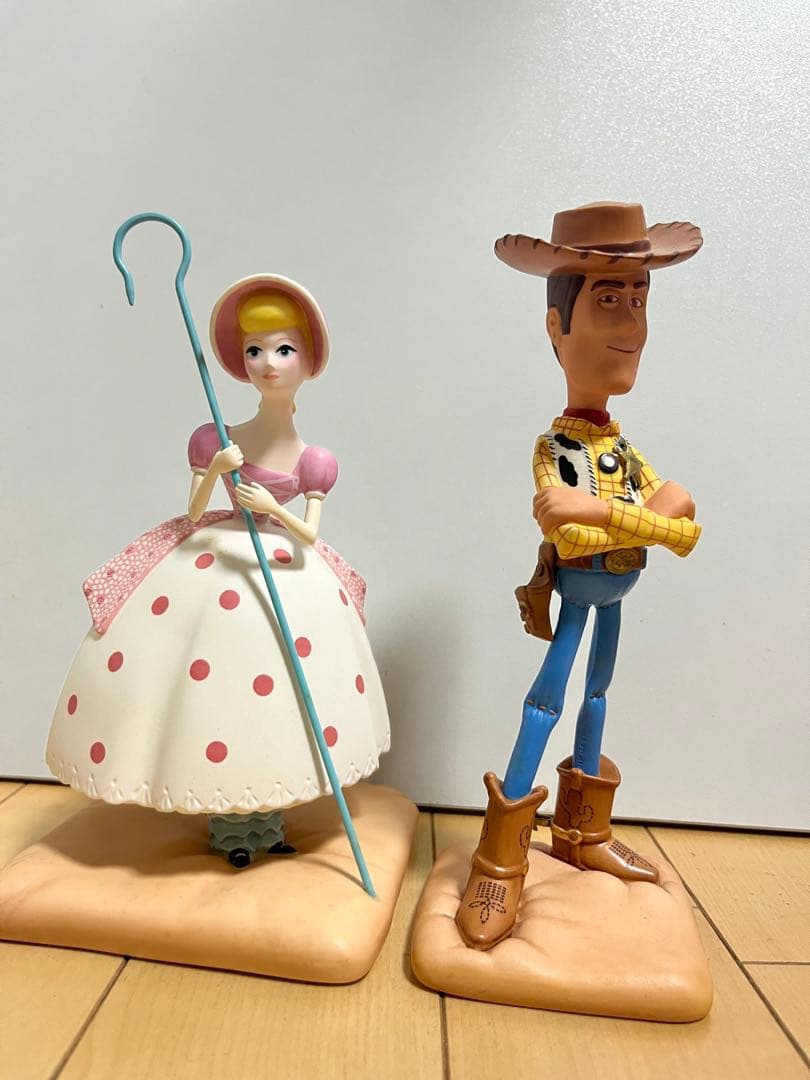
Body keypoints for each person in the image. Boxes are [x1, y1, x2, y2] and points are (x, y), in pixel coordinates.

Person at [47, 274, 390, 867]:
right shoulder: (217, 439)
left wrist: (272, 506)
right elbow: (194, 511)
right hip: (211, 562)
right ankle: (230, 825)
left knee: (284, 696)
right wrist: (217, 470)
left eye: (284, 349)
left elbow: (309, 533)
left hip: (287, 567)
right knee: (214, 692)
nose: (268, 364)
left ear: (309, 360)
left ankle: (268, 813)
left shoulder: (314, 459)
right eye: (255, 350)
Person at [456, 202, 703, 949]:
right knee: (546, 701)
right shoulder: (553, 449)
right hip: (577, 596)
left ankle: (581, 832)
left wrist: (601, 511)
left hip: (615, 593)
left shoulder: (620, 451)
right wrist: (643, 518)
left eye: (639, 300)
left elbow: (686, 524)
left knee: (598, 696)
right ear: (556, 328)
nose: (631, 323)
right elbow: (570, 530)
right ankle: (501, 856)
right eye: (608, 300)